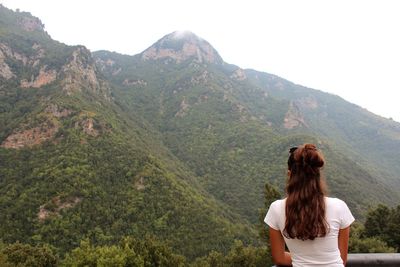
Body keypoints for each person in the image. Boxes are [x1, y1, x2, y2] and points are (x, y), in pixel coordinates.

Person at [264, 144, 354, 267]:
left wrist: (302, 259)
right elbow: (342, 260)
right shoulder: (339, 206)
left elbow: (279, 258)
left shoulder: (276, 208)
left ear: (289, 174)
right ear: (317, 175)